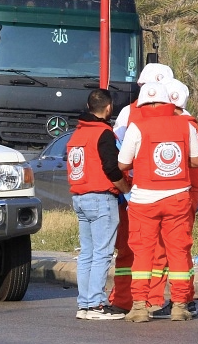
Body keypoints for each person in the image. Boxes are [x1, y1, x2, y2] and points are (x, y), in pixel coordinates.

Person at [118, 81, 198, 322]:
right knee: (178, 253)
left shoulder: (136, 126)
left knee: (143, 253)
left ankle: (139, 307)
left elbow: (123, 164)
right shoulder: (185, 126)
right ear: (169, 103)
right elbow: (196, 161)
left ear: (142, 103)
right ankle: (179, 305)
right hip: (178, 198)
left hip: (144, 200)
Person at [109, 62, 174, 314]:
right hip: (168, 194)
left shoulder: (128, 113)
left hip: (135, 192)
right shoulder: (179, 117)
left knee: (130, 249)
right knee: (159, 250)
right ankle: (153, 298)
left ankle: (125, 299)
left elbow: (119, 154)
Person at [146, 78, 198, 320]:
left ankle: (156, 299)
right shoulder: (192, 128)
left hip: (170, 194)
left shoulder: (173, 127)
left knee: (161, 249)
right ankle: (185, 298)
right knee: (181, 249)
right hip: (187, 194)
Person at [67, 89, 129, 320]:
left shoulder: (78, 134)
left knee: (87, 253)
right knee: (102, 253)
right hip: (101, 198)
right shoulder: (103, 133)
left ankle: (84, 304)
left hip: (79, 197)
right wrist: (126, 189)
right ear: (109, 107)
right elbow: (111, 168)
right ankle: (95, 305)